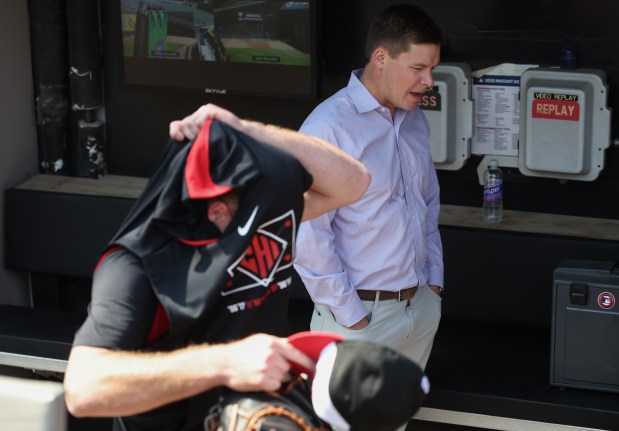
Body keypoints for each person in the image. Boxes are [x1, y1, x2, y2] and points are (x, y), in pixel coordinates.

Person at [63, 103, 370, 431]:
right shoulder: (134, 266)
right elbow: (83, 389)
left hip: (257, 417)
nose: (270, 213)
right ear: (217, 212)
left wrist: (244, 127)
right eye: (258, 207)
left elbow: (353, 182)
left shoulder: (266, 221)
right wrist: (224, 363)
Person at [292, 3, 444, 371]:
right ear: (381, 58)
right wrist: (352, 317)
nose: (429, 81)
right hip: (360, 322)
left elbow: (426, 205)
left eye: (432, 69)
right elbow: (307, 235)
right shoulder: (327, 129)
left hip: (418, 311)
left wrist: (433, 287)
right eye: (418, 68)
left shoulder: (414, 119)